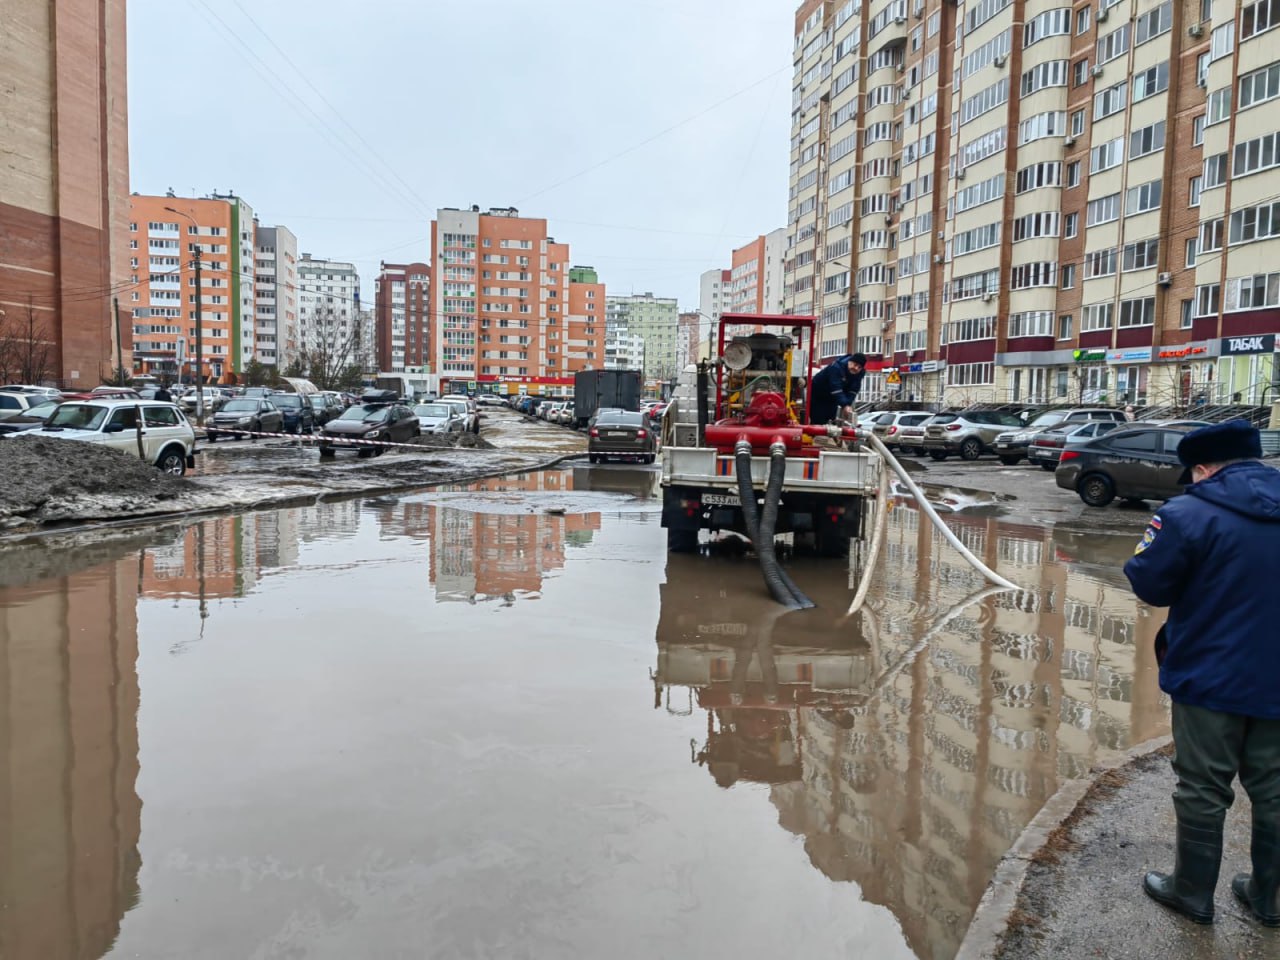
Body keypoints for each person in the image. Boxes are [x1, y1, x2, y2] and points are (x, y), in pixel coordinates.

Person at [1123, 420, 1280, 926]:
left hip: (1211, 676)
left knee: (1203, 788)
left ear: (1203, 468)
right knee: (1275, 788)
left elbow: (1151, 586)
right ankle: (1268, 898)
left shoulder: (1187, 513)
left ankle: (1191, 892)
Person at [808, 353, 866, 425]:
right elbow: (836, 388)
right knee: (819, 419)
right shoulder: (836, 367)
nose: (856, 368)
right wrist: (845, 405)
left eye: (859, 367)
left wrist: (848, 404)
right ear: (850, 362)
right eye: (855, 365)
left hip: (832, 397)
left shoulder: (859, 373)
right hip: (818, 393)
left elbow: (853, 390)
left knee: (831, 419)